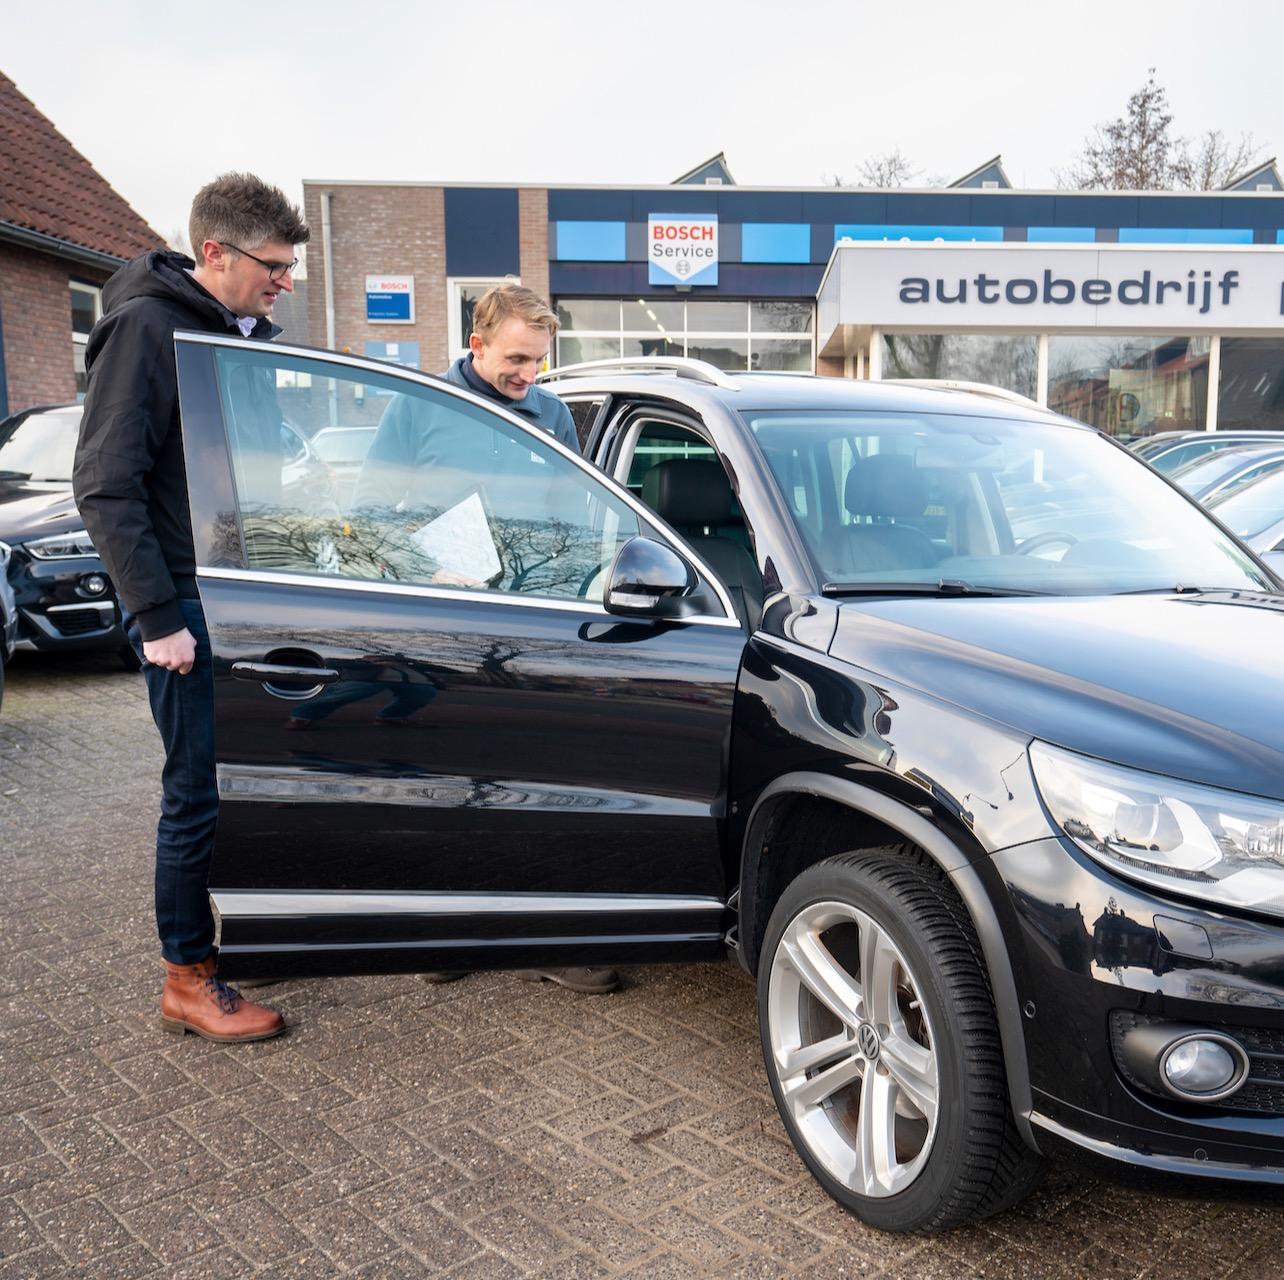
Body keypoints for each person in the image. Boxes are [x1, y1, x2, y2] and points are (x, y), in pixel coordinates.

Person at [73, 173, 309, 1041]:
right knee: (197, 793)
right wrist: (156, 617)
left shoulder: (227, 335)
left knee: (245, 785)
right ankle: (187, 976)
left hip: (240, 593)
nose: (284, 282)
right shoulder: (147, 328)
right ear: (215, 251)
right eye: (272, 266)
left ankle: (238, 938)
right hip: (187, 607)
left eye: (288, 268)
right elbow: (105, 485)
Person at [356, 284, 620, 995]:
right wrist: (427, 569)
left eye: (538, 360)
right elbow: (366, 514)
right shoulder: (420, 406)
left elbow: (572, 518)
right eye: (516, 359)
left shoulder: (552, 413)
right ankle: (450, 933)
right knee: (449, 785)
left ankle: (543, 939)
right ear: (476, 345)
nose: (529, 374)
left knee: (534, 780)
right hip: (445, 622)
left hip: (531, 624)